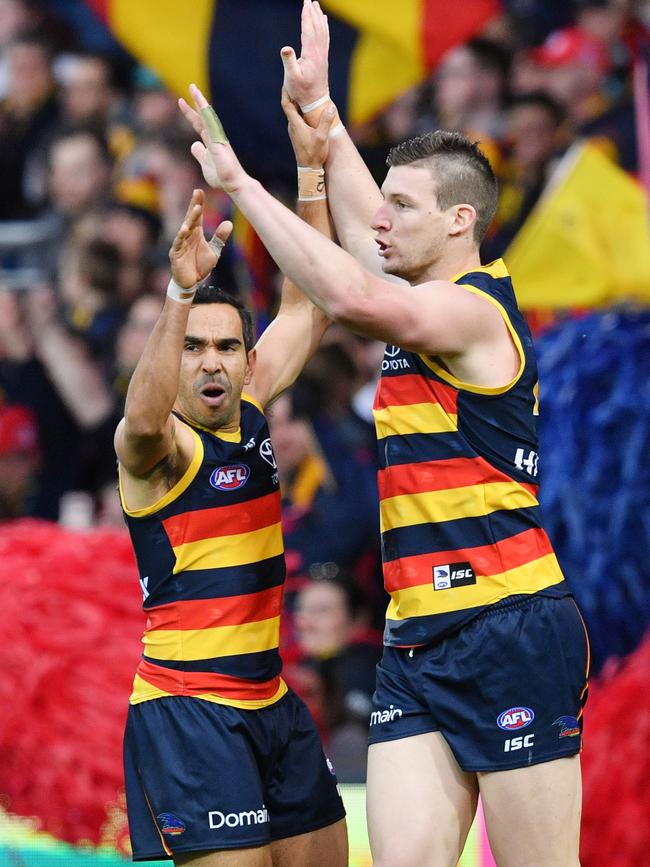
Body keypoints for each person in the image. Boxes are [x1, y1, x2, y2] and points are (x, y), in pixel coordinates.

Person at [177, 3, 590, 863]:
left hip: (509, 621)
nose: (382, 222)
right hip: (416, 634)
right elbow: (371, 244)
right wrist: (323, 114)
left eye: (404, 206)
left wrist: (245, 185)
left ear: (457, 223)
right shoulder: (421, 286)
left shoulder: (470, 315)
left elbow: (357, 296)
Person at [114, 97, 347, 864]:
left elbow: (308, 299)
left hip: (271, 702)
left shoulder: (250, 406)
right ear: (171, 354)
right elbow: (142, 422)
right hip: (188, 713)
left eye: (227, 346)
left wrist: (311, 168)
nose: (212, 360)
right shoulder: (160, 453)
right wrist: (180, 294)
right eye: (194, 347)